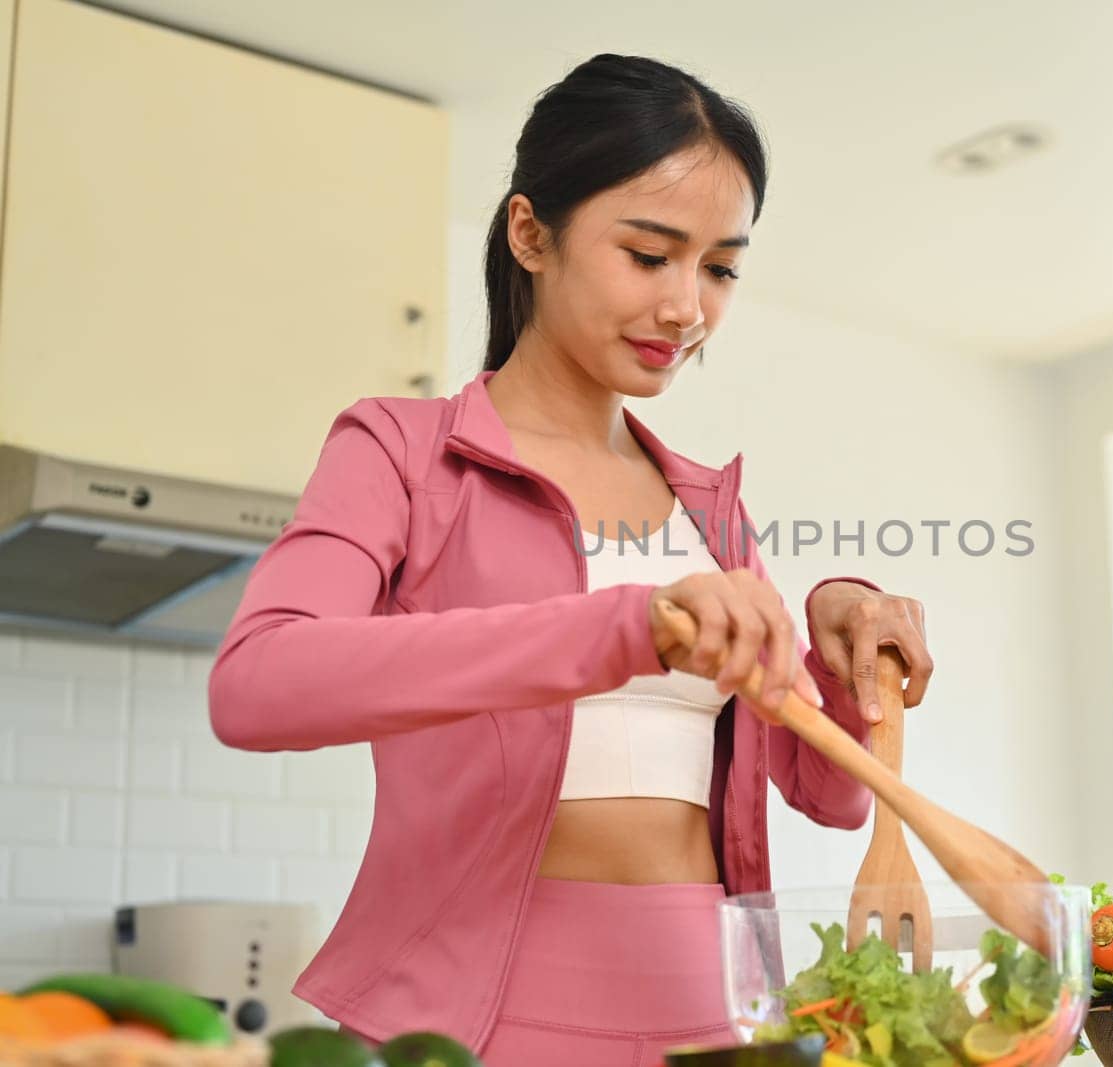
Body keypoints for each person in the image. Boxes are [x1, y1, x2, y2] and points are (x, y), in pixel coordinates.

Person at [208, 53, 934, 1066]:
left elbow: (830, 790)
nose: (688, 307)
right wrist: (623, 625)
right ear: (530, 233)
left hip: (719, 1008)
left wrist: (836, 624)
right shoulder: (403, 452)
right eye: (649, 254)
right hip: (476, 1008)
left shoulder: (706, 506)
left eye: (719, 267)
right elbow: (258, 686)